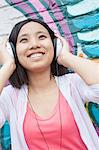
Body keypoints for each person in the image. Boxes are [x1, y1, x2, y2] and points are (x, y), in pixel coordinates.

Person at [0, 18, 99, 150]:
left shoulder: (72, 84)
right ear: (12, 51)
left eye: (41, 37)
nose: (34, 44)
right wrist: (8, 65)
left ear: (55, 45)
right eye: (24, 40)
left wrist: (65, 58)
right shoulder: (10, 97)